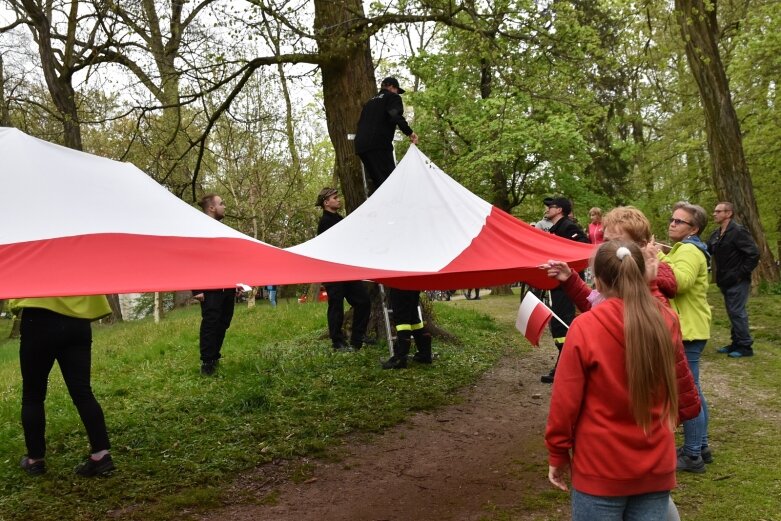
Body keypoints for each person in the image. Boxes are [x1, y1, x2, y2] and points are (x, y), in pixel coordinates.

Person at [545, 241, 699, 521]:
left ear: (599, 282)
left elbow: (564, 401)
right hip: (656, 463)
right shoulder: (666, 319)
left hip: (600, 466)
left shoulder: (585, 327)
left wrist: (557, 453)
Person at [10, 296, 115, 477]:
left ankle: (35, 460)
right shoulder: (77, 265)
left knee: (33, 395)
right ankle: (101, 454)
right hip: (77, 322)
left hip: (38, 319)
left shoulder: (30, 265)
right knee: (83, 392)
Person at [661, 201, 712, 473]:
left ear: (694, 228)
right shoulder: (685, 249)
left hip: (688, 330)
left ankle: (692, 455)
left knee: (687, 393)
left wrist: (654, 260)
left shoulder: (690, 250)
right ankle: (701, 445)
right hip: (689, 327)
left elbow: (679, 283)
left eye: (679, 221)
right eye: (672, 219)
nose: (672, 223)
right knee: (695, 391)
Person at [540, 196, 590, 384]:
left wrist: (568, 266)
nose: (546, 209)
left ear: (559, 210)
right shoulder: (554, 229)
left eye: (550, 207)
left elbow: (584, 246)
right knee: (557, 324)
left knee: (562, 324)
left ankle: (566, 365)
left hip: (568, 285)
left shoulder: (568, 227)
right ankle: (565, 363)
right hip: (558, 284)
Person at [316, 188, 371, 351]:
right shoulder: (325, 222)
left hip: (347, 270)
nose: (339, 200)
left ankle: (357, 338)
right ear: (326, 203)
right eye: (335, 198)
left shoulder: (339, 218)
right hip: (333, 272)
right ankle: (337, 341)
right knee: (336, 306)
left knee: (363, 302)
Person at [707, 202, 760, 358]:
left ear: (728, 213)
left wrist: (740, 274)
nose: (714, 214)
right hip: (724, 280)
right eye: (714, 211)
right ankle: (735, 343)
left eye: (718, 211)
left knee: (737, 312)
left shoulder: (738, 231)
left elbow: (754, 254)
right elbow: (706, 250)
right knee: (732, 312)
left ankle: (745, 346)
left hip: (738, 280)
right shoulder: (716, 234)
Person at [193, 194, 236, 376]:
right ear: (211, 208)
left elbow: (227, 258)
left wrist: (236, 281)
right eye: (221, 203)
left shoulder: (223, 229)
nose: (224, 206)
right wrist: (197, 288)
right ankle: (207, 362)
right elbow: (194, 259)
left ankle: (215, 356)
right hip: (209, 288)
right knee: (211, 323)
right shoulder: (199, 230)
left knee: (223, 322)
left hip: (227, 286)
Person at [354, 77, 419, 191]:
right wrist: (409, 132)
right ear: (391, 87)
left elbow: (360, 123)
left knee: (380, 183)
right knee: (391, 182)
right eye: (397, 90)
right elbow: (394, 115)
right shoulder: (392, 97)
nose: (397, 93)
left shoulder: (369, 103)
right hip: (378, 145)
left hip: (361, 146)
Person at [382, 288, 433, 369]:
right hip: (412, 284)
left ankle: (400, 358)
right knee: (413, 318)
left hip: (399, 282)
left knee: (402, 320)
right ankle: (425, 354)